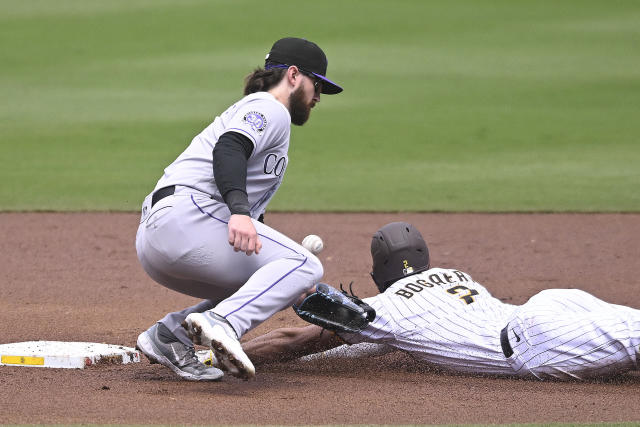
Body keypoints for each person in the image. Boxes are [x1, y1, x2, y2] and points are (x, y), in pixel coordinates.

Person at [134, 37, 343, 381]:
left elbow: (256, 239)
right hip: (185, 218)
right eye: (316, 84)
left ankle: (171, 335)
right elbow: (229, 148)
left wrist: (291, 283)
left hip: (166, 236)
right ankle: (223, 322)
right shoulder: (269, 107)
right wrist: (240, 212)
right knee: (306, 263)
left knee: (285, 273)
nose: (318, 96)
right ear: (293, 75)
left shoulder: (265, 112)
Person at [227, 222, 640, 381]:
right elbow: (364, 347)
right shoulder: (456, 276)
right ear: (428, 259)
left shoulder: (385, 311)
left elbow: (294, 340)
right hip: (551, 307)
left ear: (377, 275)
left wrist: (214, 356)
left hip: (535, 340)